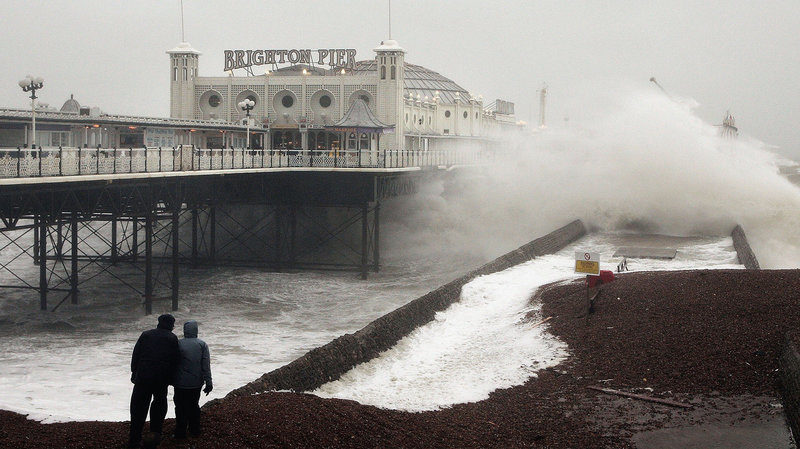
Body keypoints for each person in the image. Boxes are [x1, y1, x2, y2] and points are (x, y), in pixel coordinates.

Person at [129, 314, 180, 448]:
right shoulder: (172, 338)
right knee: (159, 403)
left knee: (138, 407)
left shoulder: (146, 335)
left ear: (158, 323)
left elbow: (136, 354)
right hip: (161, 378)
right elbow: (175, 360)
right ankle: (155, 435)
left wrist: (134, 371)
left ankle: (134, 439)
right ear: (171, 325)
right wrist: (172, 378)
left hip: (143, 376)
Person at [173, 320, 213, 439]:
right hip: (196, 382)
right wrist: (209, 382)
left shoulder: (178, 343)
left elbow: (173, 363)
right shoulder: (202, 344)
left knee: (180, 406)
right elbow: (205, 365)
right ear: (196, 331)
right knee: (194, 405)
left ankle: (180, 431)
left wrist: (170, 379)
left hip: (180, 382)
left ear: (185, 331)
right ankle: (194, 429)